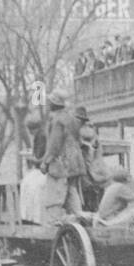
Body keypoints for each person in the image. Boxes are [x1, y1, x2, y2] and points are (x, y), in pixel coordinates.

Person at [38, 89, 87, 224]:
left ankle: (55, 222)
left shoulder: (57, 120)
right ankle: (79, 217)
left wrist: (45, 162)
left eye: (50, 102)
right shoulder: (72, 119)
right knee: (72, 192)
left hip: (61, 164)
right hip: (74, 163)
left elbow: (54, 145)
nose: (48, 104)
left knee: (55, 195)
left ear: (54, 103)